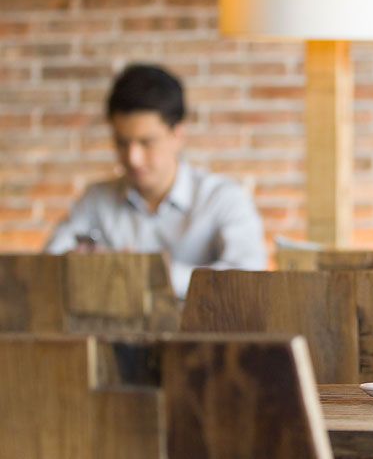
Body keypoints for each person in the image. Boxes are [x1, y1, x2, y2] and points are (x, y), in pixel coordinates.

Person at [46, 63, 266, 298]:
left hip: (199, 333)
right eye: (122, 142)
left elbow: (249, 279)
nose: (133, 158)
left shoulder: (222, 198)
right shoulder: (97, 199)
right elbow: (47, 269)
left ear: (178, 135)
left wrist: (151, 273)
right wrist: (86, 265)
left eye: (146, 142)